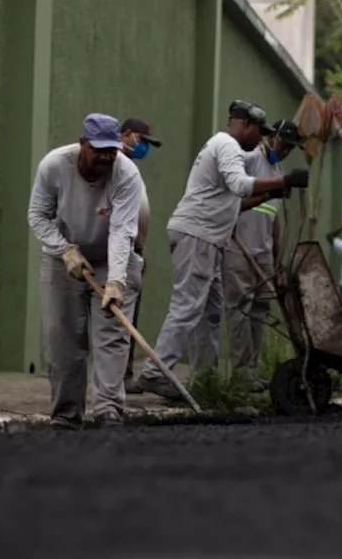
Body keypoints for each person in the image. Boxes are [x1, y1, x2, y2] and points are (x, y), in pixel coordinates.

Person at [132, 101, 308, 401]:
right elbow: (240, 186)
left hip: (209, 238)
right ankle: (154, 372)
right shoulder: (226, 144)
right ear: (244, 125)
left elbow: (234, 203)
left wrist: (272, 191)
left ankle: (205, 379)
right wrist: (284, 180)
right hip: (197, 234)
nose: (260, 140)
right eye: (258, 132)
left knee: (210, 312)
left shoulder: (233, 151)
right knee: (188, 305)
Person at [27, 113, 144, 429]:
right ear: (82, 144)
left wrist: (117, 281)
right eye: (99, 149)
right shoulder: (54, 166)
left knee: (112, 335)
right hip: (62, 255)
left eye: (112, 149)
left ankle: (108, 408)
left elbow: (122, 231)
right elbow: (38, 216)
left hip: (112, 256)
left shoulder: (127, 174)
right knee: (63, 335)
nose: (107, 156)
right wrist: (65, 249)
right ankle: (66, 412)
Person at [223, 120, 304, 392]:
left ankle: (252, 370)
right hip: (239, 247)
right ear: (273, 137)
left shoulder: (278, 169)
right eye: (284, 145)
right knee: (239, 309)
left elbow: (275, 220)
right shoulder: (249, 160)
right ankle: (239, 372)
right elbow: (230, 202)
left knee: (260, 310)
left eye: (291, 149)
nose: (285, 152)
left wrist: (278, 260)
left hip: (263, 253)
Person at [118, 117, 161, 394]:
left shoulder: (131, 168)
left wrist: (141, 251)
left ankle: (123, 375)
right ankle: (117, 378)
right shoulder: (115, 165)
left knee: (129, 318)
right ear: (128, 135)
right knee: (120, 321)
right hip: (119, 252)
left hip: (134, 252)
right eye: (143, 141)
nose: (145, 147)